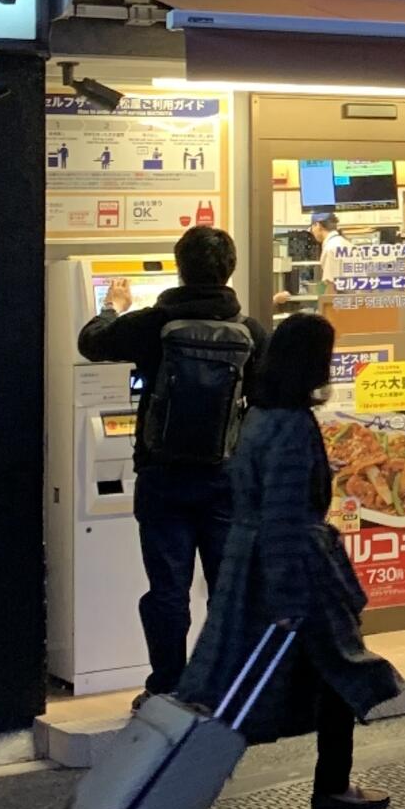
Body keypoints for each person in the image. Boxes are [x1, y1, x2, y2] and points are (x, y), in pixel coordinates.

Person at [177, 314, 400, 809]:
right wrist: (286, 599)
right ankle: (330, 786)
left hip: (246, 562)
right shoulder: (293, 425)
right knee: (338, 671)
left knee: (227, 684)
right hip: (294, 568)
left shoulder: (256, 414)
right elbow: (285, 514)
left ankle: (178, 794)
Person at [78, 225, 268, 700]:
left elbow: (90, 342)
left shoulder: (151, 325)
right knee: (226, 589)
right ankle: (224, 684)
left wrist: (111, 307)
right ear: (230, 269)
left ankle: (166, 686)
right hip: (224, 478)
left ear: (180, 268)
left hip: (162, 478)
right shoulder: (250, 332)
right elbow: (263, 400)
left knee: (167, 589)